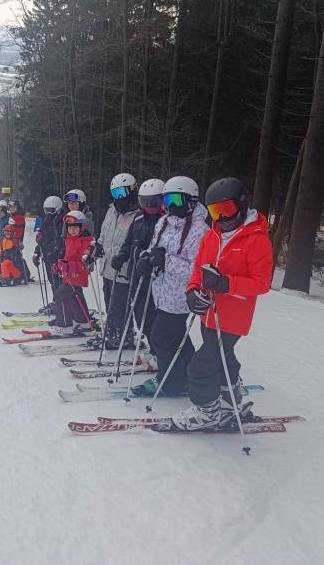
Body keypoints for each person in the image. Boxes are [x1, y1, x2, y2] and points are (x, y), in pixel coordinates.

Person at [155, 177, 273, 431]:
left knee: (201, 367)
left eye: (226, 209)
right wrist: (192, 291)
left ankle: (206, 411)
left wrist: (226, 284)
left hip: (232, 318)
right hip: (208, 314)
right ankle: (230, 402)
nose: (221, 217)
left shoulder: (256, 239)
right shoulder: (212, 236)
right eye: (215, 211)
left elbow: (262, 283)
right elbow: (199, 269)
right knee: (224, 359)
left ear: (242, 205)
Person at [131, 176, 208, 397]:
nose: (171, 205)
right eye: (167, 199)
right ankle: (191, 377)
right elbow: (155, 248)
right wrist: (146, 259)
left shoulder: (200, 230)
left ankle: (171, 382)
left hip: (182, 295)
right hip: (161, 292)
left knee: (161, 337)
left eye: (177, 199)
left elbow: (197, 269)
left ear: (191, 200)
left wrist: (165, 261)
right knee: (176, 337)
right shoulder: (164, 222)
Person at [107, 178, 167, 351]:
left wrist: (153, 260)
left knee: (155, 320)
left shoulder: (167, 222)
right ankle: (156, 350)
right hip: (136, 276)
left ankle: (161, 352)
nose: (149, 206)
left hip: (157, 280)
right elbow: (129, 242)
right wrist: (122, 256)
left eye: (154, 202)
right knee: (141, 319)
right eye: (145, 202)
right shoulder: (139, 218)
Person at [92, 173, 140, 347]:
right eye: (115, 193)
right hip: (108, 267)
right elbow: (104, 233)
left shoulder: (137, 215)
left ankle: (124, 335)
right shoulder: (112, 211)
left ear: (132, 190)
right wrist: (98, 247)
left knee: (120, 305)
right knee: (110, 303)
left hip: (123, 269)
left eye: (122, 192)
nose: (119, 198)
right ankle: (112, 332)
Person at [48, 210, 95, 335]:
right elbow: (68, 258)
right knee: (74, 297)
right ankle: (83, 321)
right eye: (69, 228)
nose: (72, 230)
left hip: (77, 275)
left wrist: (69, 266)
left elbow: (85, 262)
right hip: (70, 276)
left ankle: (64, 324)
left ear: (82, 227)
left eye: (75, 227)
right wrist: (60, 265)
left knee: (60, 295)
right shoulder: (70, 239)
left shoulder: (85, 241)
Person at [34, 196, 64, 292]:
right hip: (48, 256)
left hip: (58, 257)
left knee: (59, 282)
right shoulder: (47, 221)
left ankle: (61, 300)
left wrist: (56, 250)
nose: (49, 213)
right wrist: (37, 252)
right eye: (47, 210)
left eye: (52, 210)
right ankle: (56, 299)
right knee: (52, 281)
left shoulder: (62, 221)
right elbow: (43, 238)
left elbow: (61, 240)